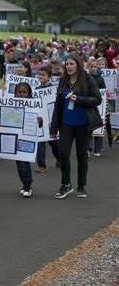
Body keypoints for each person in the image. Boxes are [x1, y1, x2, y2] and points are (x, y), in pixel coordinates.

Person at [51, 53, 102, 199]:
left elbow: (97, 99)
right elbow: (58, 105)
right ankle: (66, 184)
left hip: (83, 124)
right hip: (66, 124)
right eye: (67, 64)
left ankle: (81, 185)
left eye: (71, 64)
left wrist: (78, 99)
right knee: (64, 154)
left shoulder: (87, 79)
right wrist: (54, 127)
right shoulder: (63, 81)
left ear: (78, 65)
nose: (68, 67)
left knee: (81, 156)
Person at [14, 83, 37, 198]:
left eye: (24, 92)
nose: (22, 94)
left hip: (27, 137)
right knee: (18, 162)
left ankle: (28, 185)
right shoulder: (11, 104)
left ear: (29, 94)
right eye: (19, 92)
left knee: (24, 162)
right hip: (15, 138)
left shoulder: (34, 106)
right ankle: (24, 183)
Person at [35, 67, 60, 172]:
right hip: (41, 119)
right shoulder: (36, 90)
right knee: (40, 142)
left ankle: (60, 158)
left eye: (43, 75)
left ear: (49, 77)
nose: (41, 76)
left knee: (53, 142)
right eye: (39, 74)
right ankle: (41, 165)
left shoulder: (54, 89)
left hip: (51, 120)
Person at [85, 57, 106, 157]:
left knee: (98, 126)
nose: (93, 68)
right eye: (91, 66)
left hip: (99, 105)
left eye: (95, 67)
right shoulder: (85, 78)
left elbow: (103, 91)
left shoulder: (100, 79)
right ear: (88, 67)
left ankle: (97, 149)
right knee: (89, 126)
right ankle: (88, 148)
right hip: (89, 104)